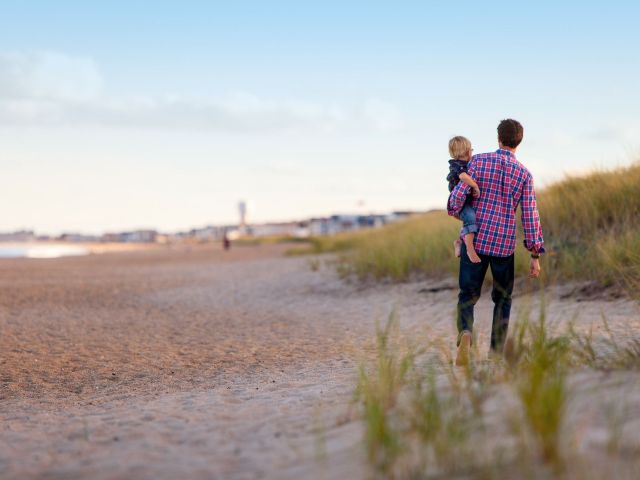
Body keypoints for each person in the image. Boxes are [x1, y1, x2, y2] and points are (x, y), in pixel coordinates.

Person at [448, 119, 545, 366]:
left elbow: (457, 198)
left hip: (477, 241)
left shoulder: (478, 161)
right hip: (503, 245)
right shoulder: (524, 174)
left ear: (498, 138)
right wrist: (535, 255)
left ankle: (466, 333)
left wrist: (456, 207)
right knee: (503, 298)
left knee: (467, 296)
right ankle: (497, 352)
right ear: (519, 142)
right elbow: (530, 215)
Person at [446, 136, 482, 263]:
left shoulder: (467, 164)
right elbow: (463, 177)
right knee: (470, 217)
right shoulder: (457, 165)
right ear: (467, 151)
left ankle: (459, 243)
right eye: (471, 149)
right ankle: (470, 249)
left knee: (469, 220)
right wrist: (475, 185)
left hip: (466, 200)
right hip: (459, 202)